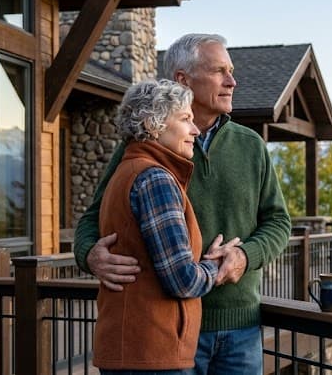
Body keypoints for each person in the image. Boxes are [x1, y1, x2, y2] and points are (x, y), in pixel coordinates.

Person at [75, 33, 292, 374]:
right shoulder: (141, 149)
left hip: (239, 328)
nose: (232, 81)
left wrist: (244, 256)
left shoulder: (251, 146)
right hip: (166, 330)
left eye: (231, 71)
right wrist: (89, 254)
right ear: (183, 80)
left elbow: (279, 222)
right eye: (220, 71)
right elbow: (93, 217)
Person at [93, 78, 240, 373]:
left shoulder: (129, 170)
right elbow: (183, 280)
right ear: (153, 124)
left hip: (134, 349)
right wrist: (219, 264)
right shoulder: (155, 179)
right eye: (186, 119)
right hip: (152, 353)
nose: (196, 130)